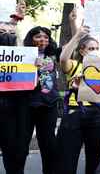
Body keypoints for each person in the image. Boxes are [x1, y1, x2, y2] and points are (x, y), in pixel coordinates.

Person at [56, 19, 100, 174]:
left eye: (96, 48)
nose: (94, 50)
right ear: (82, 51)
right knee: (67, 157)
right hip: (74, 113)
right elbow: (63, 59)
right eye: (90, 48)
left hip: (98, 114)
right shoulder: (74, 65)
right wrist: (77, 36)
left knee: (96, 158)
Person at [21, 26, 60, 174]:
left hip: (48, 105)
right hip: (27, 105)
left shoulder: (53, 55)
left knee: (48, 145)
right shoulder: (22, 55)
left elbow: (71, 48)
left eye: (45, 37)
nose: (42, 40)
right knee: (21, 144)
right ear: (31, 39)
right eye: (38, 36)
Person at [0, 1, 30, 174]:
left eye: (11, 33)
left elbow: (17, 43)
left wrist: (16, 21)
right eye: (2, 32)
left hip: (15, 110)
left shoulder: (23, 56)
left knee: (14, 154)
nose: (7, 35)